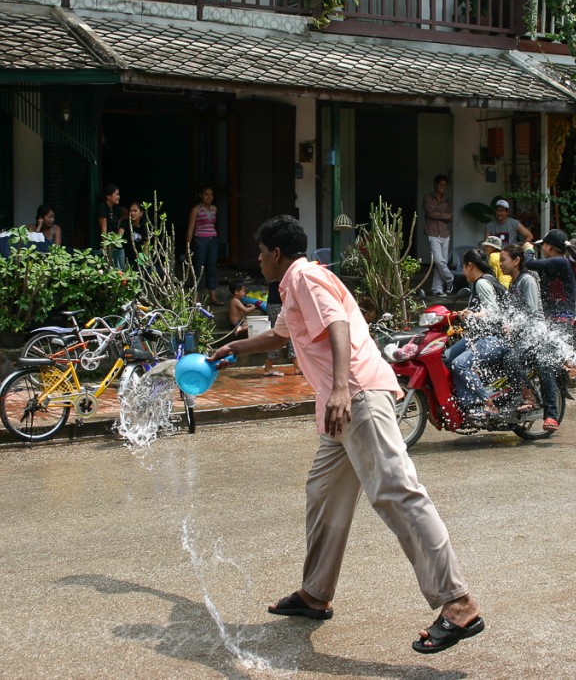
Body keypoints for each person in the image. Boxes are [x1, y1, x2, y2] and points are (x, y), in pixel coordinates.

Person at [209, 215, 483, 654]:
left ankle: (457, 604)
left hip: (354, 395)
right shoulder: (295, 283)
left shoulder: (304, 276)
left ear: (276, 253)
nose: (258, 261)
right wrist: (234, 347)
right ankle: (315, 593)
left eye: (261, 253)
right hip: (340, 408)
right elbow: (281, 336)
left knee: (397, 491)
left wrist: (338, 388)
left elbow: (336, 325)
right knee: (324, 491)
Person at [522, 229, 576, 432]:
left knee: (545, 362)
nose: (539, 249)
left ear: (549, 247)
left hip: (561, 325)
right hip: (549, 323)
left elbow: (530, 263)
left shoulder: (561, 262)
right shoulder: (554, 265)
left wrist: (528, 250)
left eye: (541, 246)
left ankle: (551, 416)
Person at [444, 248, 508, 416]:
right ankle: (467, 402)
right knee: (447, 356)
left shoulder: (482, 283)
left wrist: (473, 314)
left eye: (464, 267)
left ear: (470, 266)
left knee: (459, 363)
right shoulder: (485, 281)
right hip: (481, 336)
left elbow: (493, 312)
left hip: (494, 338)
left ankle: (486, 402)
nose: (463, 273)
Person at [499, 243, 544, 411]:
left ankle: (529, 397)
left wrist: (514, 327)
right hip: (522, 333)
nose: (501, 264)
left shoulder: (527, 280)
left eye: (504, 260)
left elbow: (531, 312)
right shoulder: (513, 283)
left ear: (517, 260)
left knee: (511, 359)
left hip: (535, 334)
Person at [187, 186, 220, 306]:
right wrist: (188, 245)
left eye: (211, 194)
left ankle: (213, 298)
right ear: (201, 195)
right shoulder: (196, 209)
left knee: (211, 268)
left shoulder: (214, 209)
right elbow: (191, 228)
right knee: (198, 269)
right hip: (200, 240)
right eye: (206, 194)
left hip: (213, 240)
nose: (209, 197)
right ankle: (196, 299)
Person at [262, 278, 300, 377]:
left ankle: (297, 366)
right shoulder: (278, 269)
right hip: (277, 304)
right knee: (278, 334)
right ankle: (268, 367)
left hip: (281, 303)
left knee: (291, 334)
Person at [424, 174, 454, 296]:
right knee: (438, 260)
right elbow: (430, 213)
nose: (443, 187)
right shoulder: (427, 198)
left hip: (445, 233)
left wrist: (439, 214)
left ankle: (437, 289)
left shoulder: (447, 200)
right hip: (432, 232)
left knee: (442, 262)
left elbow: (450, 216)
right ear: (435, 184)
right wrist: (443, 215)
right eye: (441, 184)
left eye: (445, 185)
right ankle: (450, 279)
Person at [96, 184, 124, 269]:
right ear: (108, 196)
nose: (118, 197)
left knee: (120, 268)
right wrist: (104, 247)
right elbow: (103, 228)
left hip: (115, 243)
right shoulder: (102, 207)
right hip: (106, 243)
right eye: (116, 194)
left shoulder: (116, 209)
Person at [121, 201, 147, 268]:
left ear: (141, 213)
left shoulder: (144, 227)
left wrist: (145, 261)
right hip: (125, 258)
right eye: (130, 211)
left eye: (135, 211)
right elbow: (119, 236)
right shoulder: (125, 223)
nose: (132, 213)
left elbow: (146, 246)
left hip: (138, 260)